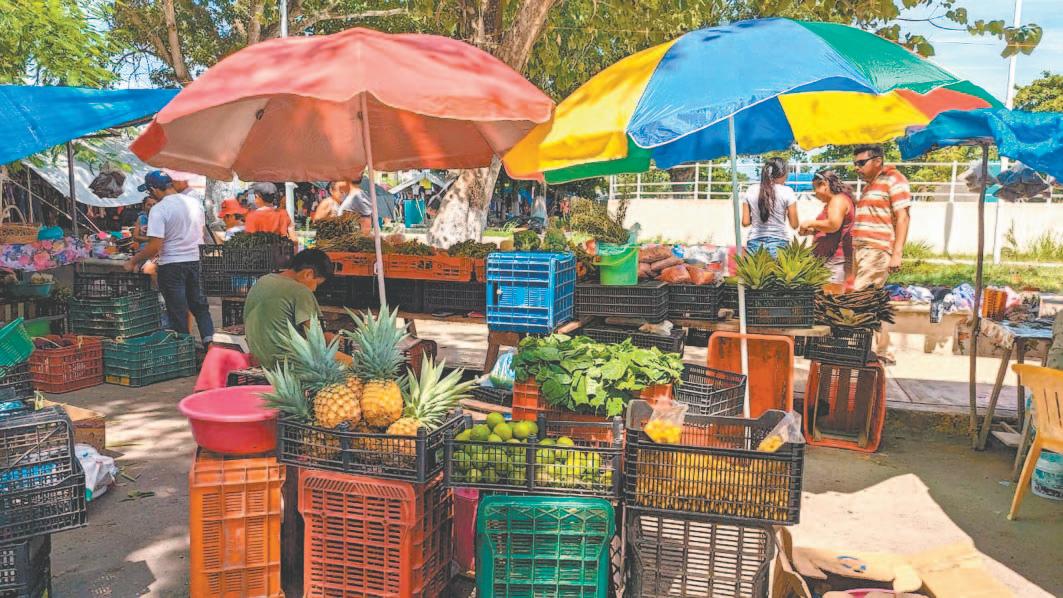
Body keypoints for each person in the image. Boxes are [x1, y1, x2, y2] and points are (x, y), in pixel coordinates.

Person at [125, 170, 214, 346]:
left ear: (153, 189)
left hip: (172, 265)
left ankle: (184, 350)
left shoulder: (160, 209)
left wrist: (133, 261)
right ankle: (210, 345)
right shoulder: (194, 203)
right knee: (200, 307)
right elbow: (201, 232)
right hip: (196, 261)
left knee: (178, 311)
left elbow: (154, 246)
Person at [851, 144, 912, 364]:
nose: (856, 168)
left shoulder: (894, 179)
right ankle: (884, 351)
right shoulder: (871, 185)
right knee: (872, 302)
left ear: (877, 161)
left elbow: (903, 217)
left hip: (877, 249)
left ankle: (862, 349)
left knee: (860, 298)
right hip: (862, 249)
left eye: (861, 163)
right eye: (855, 163)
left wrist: (897, 253)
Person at [243, 249, 350, 369]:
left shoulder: (262, 281)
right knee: (351, 366)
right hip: (290, 367)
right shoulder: (300, 291)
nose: (315, 289)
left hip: (259, 363)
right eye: (317, 283)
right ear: (308, 274)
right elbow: (317, 343)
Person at [799, 170, 855, 294]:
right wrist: (812, 231)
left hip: (835, 260)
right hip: (827, 260)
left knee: (831, 301)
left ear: (824, 184)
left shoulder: (838, 200)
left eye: (815, 188)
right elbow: (830, 229)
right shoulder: (832, 203)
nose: (814, 193)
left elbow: (833, 225)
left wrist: (810, 223)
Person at [741, 157, 798, 257]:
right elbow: (794, 224)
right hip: (779, 244)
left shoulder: (750, 190)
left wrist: (758, 216)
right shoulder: (787, 191)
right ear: (782, 173)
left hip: (754, 243)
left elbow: (745, 222)